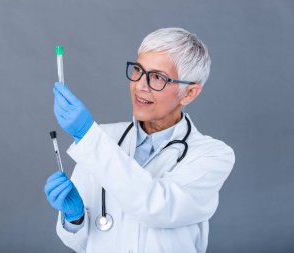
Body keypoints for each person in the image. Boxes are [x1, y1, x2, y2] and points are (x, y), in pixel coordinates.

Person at [44, 27, 235, 253]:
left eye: (157, 77)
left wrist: (87, 135)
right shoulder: (103, 139)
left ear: (189, 93)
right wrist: (74, 219)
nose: (140, 85)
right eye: (138, 70)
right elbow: (80, 243)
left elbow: (157, 207)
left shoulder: (212, 155)